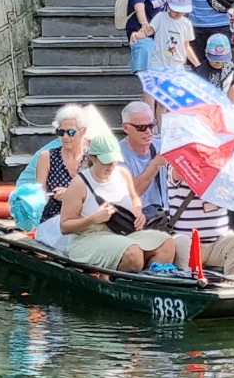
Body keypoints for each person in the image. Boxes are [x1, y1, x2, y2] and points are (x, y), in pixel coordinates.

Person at [60, 133, 178, 273]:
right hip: (90, 236)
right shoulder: (79, 184)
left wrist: (138, 210)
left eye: (114, 161)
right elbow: (65, 226)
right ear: (93, 157)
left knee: (167, 243)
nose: (111, 166)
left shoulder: (122, 173)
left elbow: (135, 198)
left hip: (125, 231)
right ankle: (119, 280)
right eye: (106, 162)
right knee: (133, 254)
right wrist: (92, 219)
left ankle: (151, 280)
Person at [170, 174, 234, 276]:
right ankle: (189, 283)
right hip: (187, 243)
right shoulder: (179, 163)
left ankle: (232, 285)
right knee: (181, 242)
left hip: (217, 243)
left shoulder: (226, 171)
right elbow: (176, 172)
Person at [31, 104, 89, 248]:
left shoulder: (92, 159)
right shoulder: (47, 157)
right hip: (53, 220)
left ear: (83, 132)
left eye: (70, 132)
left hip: (82, 220)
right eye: (60, 132)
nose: (65, 137)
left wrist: (70, 196)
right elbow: (39, 193)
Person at [119, 101, 169, 225]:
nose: (148, 131)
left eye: (151, 125)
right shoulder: (117, 155)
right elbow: (130, 193)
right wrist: (155, 165)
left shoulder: (164, 145)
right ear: (125, 128)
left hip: (167, 215)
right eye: (141, 127)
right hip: (137, 220)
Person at [137, 0, 199, 72]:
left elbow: (186, 46)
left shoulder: (186, 23)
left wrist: (197, 64)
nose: (179, 13)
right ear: (169, 6)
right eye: (176, 10)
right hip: (158, 65)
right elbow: (148, 31)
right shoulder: (161, 17)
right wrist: (137, 35)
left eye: (182, 11)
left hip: (177, 67)